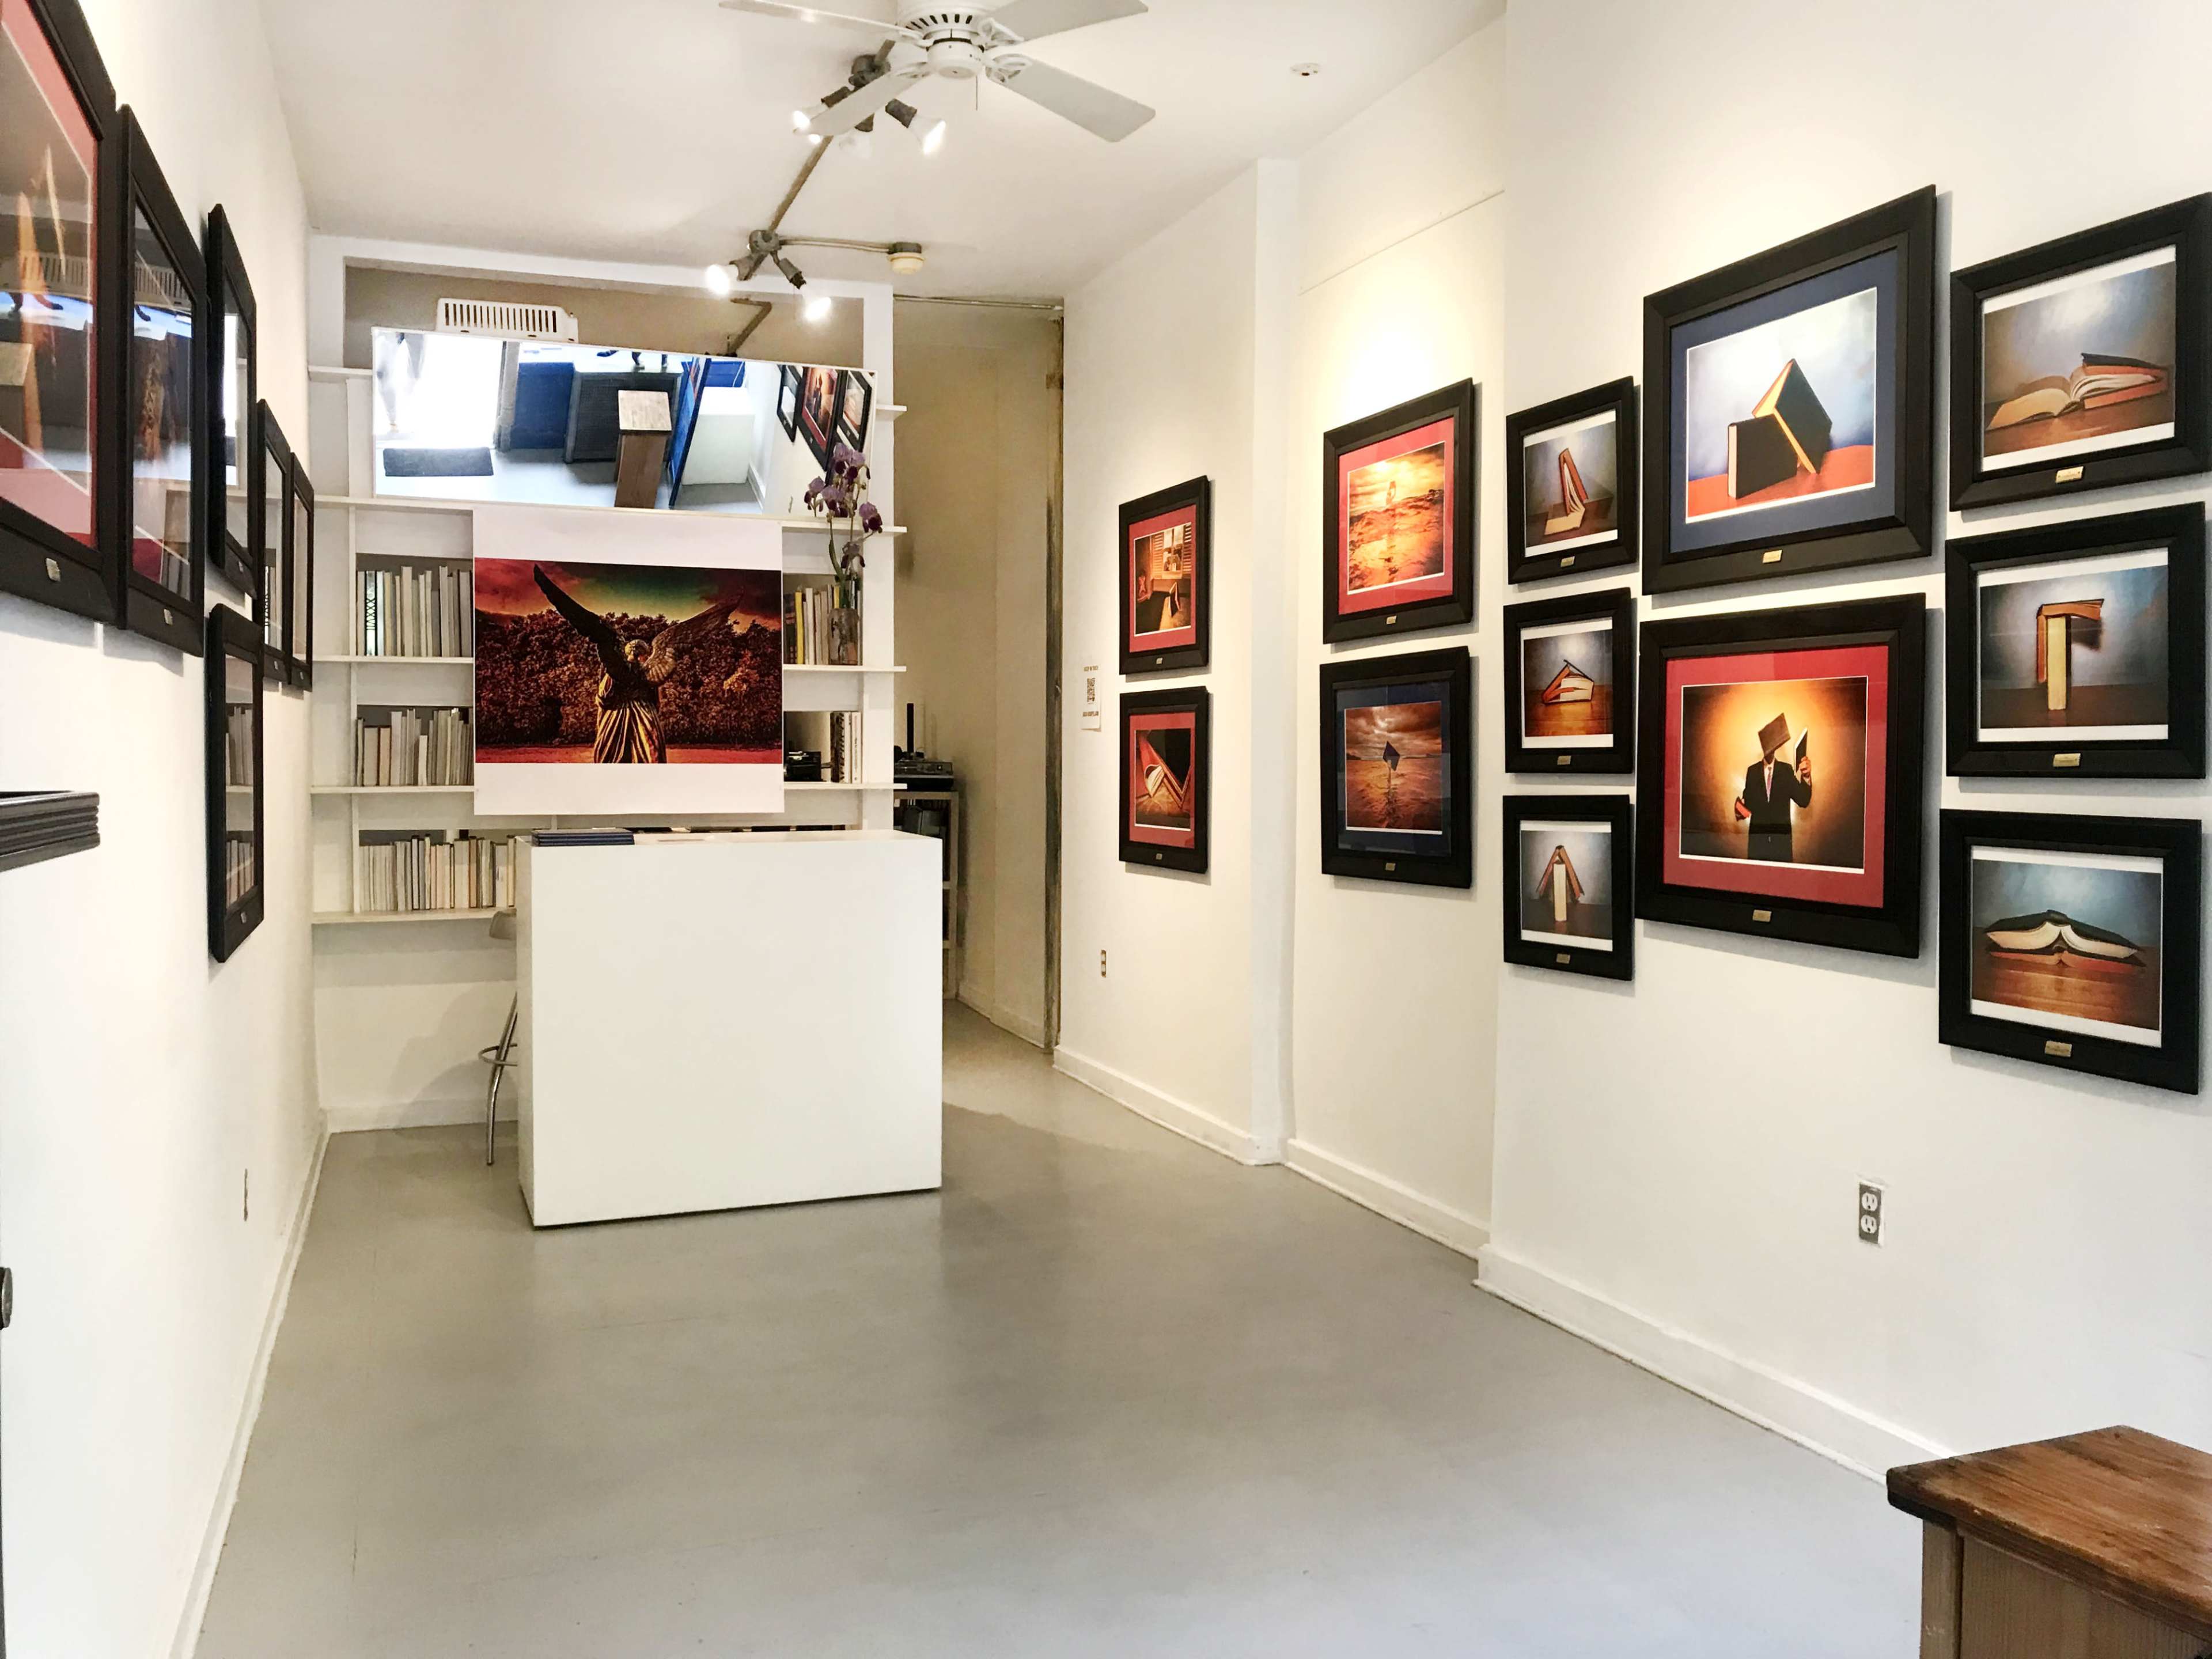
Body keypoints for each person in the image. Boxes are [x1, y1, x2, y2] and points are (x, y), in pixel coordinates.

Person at [533, 565, 742, 764]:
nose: (636, 656)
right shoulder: (641, 668)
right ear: (642, 654)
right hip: (637, 714)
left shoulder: (621, 670)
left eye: (634, 652)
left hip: (623, 716)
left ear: (631, 653)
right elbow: (648, 699)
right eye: (640, 653)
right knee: (643, 753)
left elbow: (608, 698)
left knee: (623, 756)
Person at [1736, 714, 1811, 863]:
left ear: (1776, 746)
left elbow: (1803, 800)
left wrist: (1807, 776)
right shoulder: (1752, 772)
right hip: (1758, 847)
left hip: (1781, 847)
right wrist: (1740, 808)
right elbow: (1746, 807)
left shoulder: (1786, 771)